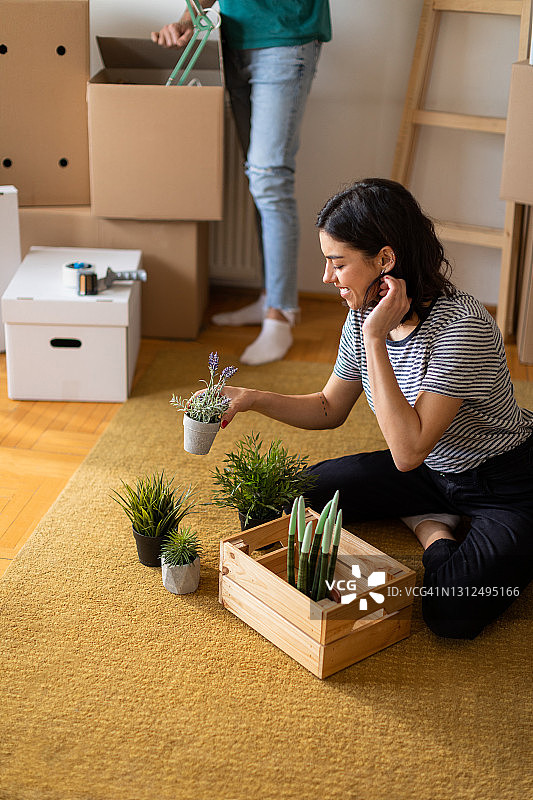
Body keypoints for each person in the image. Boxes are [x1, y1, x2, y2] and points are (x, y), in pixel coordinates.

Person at [217, 177, 533, 639]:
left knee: (452, 613)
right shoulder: (362, 312)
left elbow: (406, 452)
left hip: (504, 480)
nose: (327, 278)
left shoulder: (462, 328)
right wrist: (253, 399)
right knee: (277, 506)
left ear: (385, 260)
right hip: (430, 470)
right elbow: (329, 408)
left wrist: (374, 339)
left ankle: (432, 531)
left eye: (337, 263)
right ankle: (432, 512)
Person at [151, 0, 331, 365]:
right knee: (258, 178)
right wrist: (188, 19)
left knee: (269, 180)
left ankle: (280, 315)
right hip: (235, 38)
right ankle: (269, 298)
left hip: (286, 38)